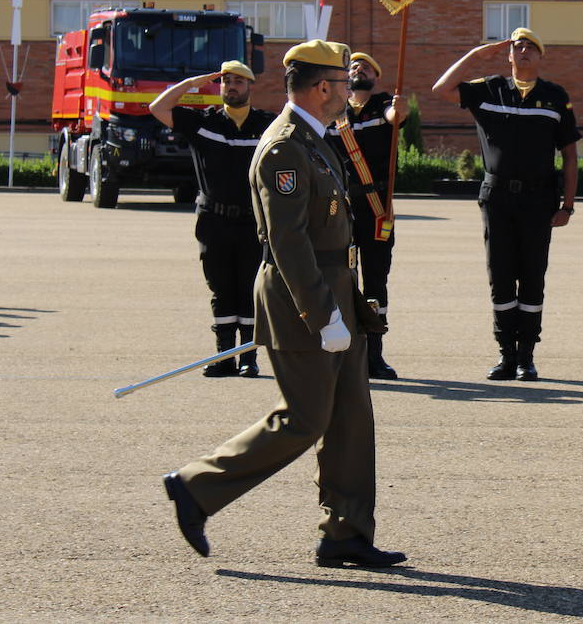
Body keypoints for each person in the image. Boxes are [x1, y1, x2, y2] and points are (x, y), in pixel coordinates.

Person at [162, 39, 404, 568]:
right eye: (344, 83)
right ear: (322, 88)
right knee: (304, 417)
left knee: (351, 420)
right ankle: (197, 487)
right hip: (303, 296)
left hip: (335, 287)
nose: (351, 91)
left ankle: (346, 532)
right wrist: (323, 315)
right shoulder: (286, 147)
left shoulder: (317, 138)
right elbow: (289, 241)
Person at [433, 27, 580, 381]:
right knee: (500, 275)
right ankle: (506, 354)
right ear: (508, 55)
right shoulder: (489, 89)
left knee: (532, 276)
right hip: (497, 198)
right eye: (518, 47)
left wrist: (568, 205)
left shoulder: (555, 97)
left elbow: (570, 156)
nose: (524, 51)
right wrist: (476, 55)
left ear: (541, 57)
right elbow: (441, 90)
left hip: (538, 199)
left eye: (532, 47)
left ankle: (527, 355)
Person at [149, 61, 275, 378]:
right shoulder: (203, 124)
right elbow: (158, 107)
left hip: (252, 222)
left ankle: (247, 357)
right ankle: (223, 356)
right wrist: (192, 82)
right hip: (213, 221)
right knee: (220, 290)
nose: (231, 86)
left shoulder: (266, 125)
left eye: (239, 81)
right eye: (226, 81)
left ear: (250, 86)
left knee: (249, 290)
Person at [326, 51, 408, 380]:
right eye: (353, 66)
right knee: (340, 280)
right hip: (339, 207)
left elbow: (395, 116)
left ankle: (375, 353)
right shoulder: (333, 111)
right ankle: (345, 351)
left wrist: (399, 111)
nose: (358, 69)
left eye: (366, 67)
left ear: (375, 77)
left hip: (375, 207)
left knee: (375, 281)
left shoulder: (383, 105)